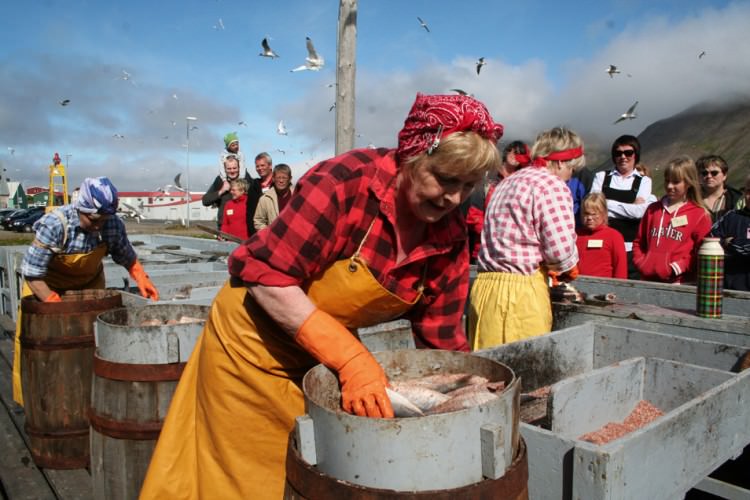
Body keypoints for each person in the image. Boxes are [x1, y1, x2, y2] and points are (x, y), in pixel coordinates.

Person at [139, 93, 503, 499]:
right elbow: (265, 274)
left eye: (467, 186)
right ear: (412, 159)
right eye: (445, 179)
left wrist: (462, 400)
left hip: (322, 358)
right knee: (246, 480)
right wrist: (350, 358)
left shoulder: (449, 234)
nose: (454, 198)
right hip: (251, 347)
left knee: (315, 474)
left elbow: (441, 335)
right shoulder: (345, 183)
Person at [12, 177, 159, 406]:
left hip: (89, 286)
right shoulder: (55, 224)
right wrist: (53, 303)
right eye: (94, 219)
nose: (99, 225)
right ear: (82, 208)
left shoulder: (111, 224)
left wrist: (140, 275)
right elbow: (32, 273)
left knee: (92, 347)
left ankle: (92, 400)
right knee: (49, 355)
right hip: (46, 287)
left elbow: (125, 254)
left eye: (104, 219)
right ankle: (40, 405)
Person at [469, 127, 582, 350]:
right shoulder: (552, 185)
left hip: (483, 290)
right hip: (519, 298)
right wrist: (568, 266)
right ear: (560, 162)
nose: (570, 175)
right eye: (571, 168)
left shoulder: (507, 183)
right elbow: (559, 253)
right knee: (521, 374)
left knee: (484, 372)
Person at [632, 156, 712, 284]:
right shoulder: (652, 209)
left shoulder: (699, 214)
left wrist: (678, 267)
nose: (669, 186)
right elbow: (638, 242)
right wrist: (642, 263)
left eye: (675, 182)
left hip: (679, 283)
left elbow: (702, 251)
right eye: (667, 181)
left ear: (688, 183)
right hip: (647, 280)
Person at [590, 135, 653, 279]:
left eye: (628, 153)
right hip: (602, 245)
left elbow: (639, 212)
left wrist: (607, 203)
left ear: (636, 155)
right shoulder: (601, 177)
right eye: (618, 153)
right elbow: (593, 207)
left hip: (630, 248)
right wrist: (630, 206)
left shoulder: (644, 181)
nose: (623, 157)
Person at [465, 141, 530, 262]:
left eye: (520, 153)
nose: (515, 155)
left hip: (513, 251)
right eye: (513, 151)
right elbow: (474, 214)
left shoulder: (523, 182)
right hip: (484, 248)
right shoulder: (487, 177)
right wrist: (492, 235)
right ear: (507, 152)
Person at [710, 173, 750, 291]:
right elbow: (711, 240)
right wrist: (724, 243)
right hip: (730, 289)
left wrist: (732, 243)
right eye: (748, 191)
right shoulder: (731, 217)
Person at [576, 192, 627, 279]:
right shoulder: (576, 235)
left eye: (594, 214)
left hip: (604, 289)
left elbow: (620, 269)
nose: (589, 218)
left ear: (603, 213)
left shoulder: (614, 236)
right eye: (586, 214)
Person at [202, 155, 248, 231]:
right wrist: (221, 191)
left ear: (239, 168)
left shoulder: (245, 179)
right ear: (224, 169)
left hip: (244, 228)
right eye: (229, 169)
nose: (232, 171)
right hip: (224, 228)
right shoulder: (220, 180)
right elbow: (205, 201)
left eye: (234, 168)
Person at [697, 154, 743, 223]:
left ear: (724, 175)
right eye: (704, 173)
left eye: (714, 173)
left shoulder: (737, 199)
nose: (709, 176)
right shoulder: (691, 197)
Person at [253, 163, 294, 231]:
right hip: (274, 240)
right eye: (278, 178)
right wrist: (270, 233)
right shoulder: (265, 199)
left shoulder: (297, 196)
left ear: (290, 179)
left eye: (284, 178)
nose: (281, 181)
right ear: (273, 179)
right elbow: (258, 221)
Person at [245, 152, 274, 237]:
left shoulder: (278, 184)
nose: (260, 168)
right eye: (257, 166)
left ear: (270, 166)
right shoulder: (253, 186)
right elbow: (250, 213)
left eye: (262, 165)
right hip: (258, 234)